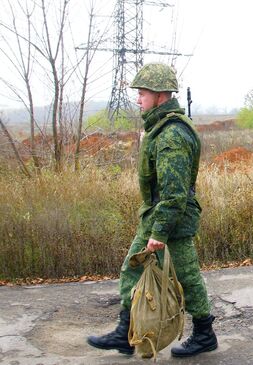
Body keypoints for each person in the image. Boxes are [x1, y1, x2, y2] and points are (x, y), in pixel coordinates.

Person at [87, 63, 218, 357]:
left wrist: (159, 232)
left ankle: (205, 333)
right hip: (155, 217)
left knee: (186, 275)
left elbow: (174, 193)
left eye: (142, 93)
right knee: (131, 269)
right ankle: (125, 332)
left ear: (160, 95)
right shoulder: (159, 129)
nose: (138, 99)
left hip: (173, 221)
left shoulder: (172, 135)